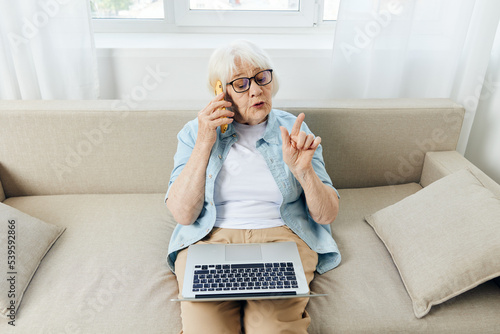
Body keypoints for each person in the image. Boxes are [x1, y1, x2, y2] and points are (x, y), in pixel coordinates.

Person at [165, 40, 341, 334]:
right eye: (242, 83)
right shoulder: (195, 132)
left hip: (282, 238)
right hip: (211, 238)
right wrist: (206, 141)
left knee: (274, 330)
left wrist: (303, 171)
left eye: (261, 78)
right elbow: (183, 214)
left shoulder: (294, 130)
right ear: (221, 91)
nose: (257, 90)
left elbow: (326, 215)